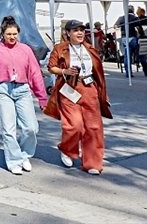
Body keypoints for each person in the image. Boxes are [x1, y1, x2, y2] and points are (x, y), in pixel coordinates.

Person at [0, 16, 48, 175]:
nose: (12, 37)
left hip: (23, 90)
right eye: (9, 34)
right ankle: (14, 161)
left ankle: (24, 155)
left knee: (31, 128)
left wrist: (42, 97)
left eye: (15, 34)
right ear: (2, 34)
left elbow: (35, 73)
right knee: (8, 129)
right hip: (3, 90)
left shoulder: (25, 49)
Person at [44, 19, 112, 175]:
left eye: (82, 30)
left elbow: (98, 73)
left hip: (89, 88)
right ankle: (67, 149)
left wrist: (102, 93)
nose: (80, 33)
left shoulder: (90, 48)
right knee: (74, 125)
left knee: (93, 127)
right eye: (76, 30)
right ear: (68, 33)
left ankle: (92, 163)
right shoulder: (60, 48)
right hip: (70, 89)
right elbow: (51, 67)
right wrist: (64, 71)